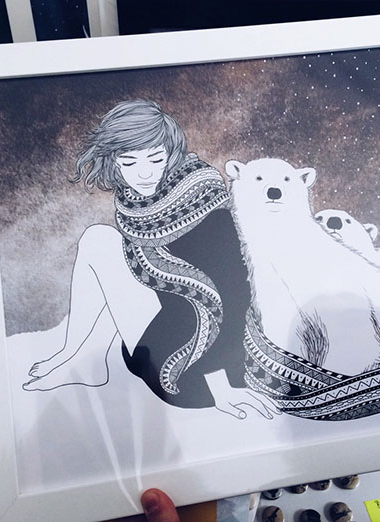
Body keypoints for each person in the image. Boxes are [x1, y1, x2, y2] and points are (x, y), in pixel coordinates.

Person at [22, 99, 278, 419]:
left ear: (172, 152)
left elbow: (234, 294)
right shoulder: (139, 206)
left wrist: (221, 381)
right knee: (104, 243)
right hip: (164, 330)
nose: (143, 173)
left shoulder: (205, 199)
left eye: (155, 159)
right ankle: (75, 357)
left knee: (98, 240)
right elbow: (134, 275)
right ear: (114, 162)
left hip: (187, 368)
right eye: (128, 163)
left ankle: (76, 358)